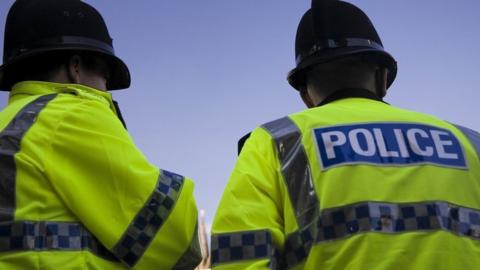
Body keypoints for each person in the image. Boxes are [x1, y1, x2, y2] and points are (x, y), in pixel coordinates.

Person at [211, 0, 480, 269]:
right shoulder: (470, 144)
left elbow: (239, 258)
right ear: (383, 78)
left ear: (305, 95)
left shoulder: (274, 142)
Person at [0, 0, 201, 269]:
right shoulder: (69, 115)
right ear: (76, 68)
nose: (107, 91)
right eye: (106, 77)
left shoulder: (10, 126)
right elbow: (176, 239)